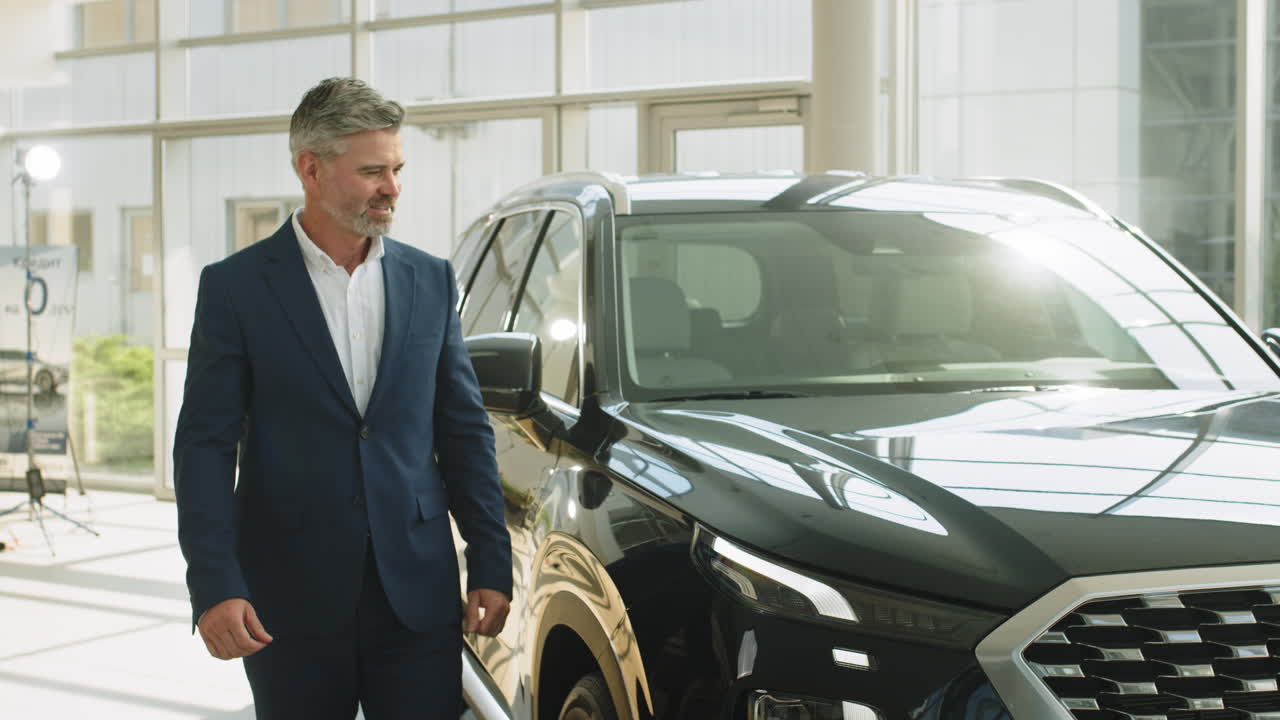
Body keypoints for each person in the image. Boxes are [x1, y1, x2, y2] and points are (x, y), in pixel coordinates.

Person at [174, 77, 512, 720]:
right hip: (286, 601)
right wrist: (214, 583)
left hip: (416, 594)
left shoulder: (431, 279)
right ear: (311, 168)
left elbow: (463, 431)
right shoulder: (235, 288)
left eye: (397, 168)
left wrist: (491, 560)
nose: (392, 187)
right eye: (372, 171)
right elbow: (205, 447)